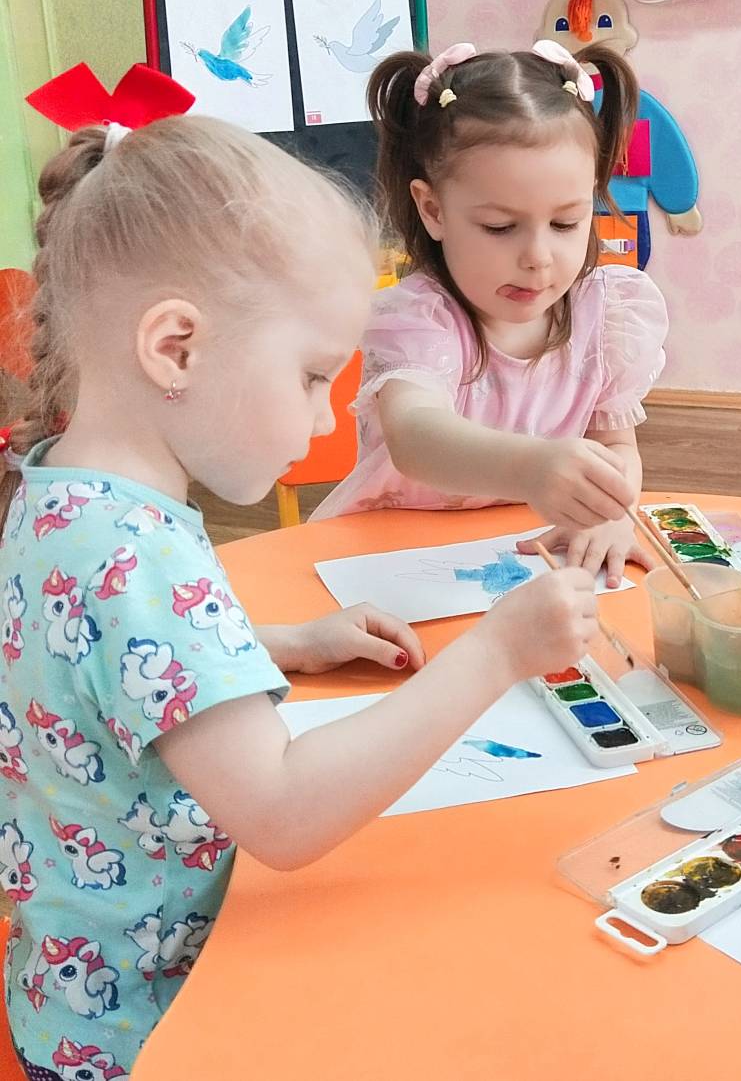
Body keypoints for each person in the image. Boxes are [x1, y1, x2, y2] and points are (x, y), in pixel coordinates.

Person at [0, 91, 595, 1078]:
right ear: (176, 347)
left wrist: (274, 645)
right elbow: (281, 813)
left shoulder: (61, 492)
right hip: (159, 1030)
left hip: (71, 994)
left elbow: (90, 669)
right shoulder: (135, 556)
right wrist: (499, 651)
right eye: (315, 376)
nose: (324, 423)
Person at [312, 39, 668, 589]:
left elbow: (615, 446)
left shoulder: (606, 313)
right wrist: (531, 467)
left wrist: (611, 511)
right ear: (433, 209)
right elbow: (416, 436)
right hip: (388, 554)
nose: (538, 257)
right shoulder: (421, 318)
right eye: (501, 227)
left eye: (566, 223)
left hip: (524, 552)